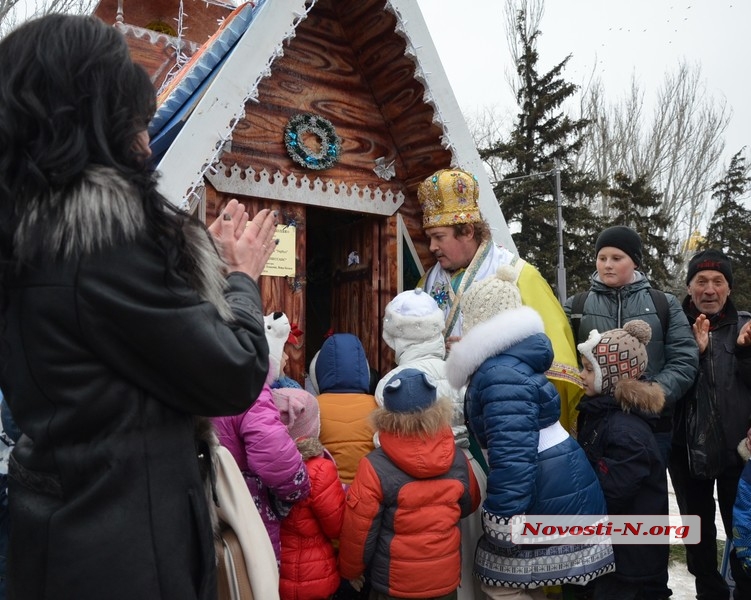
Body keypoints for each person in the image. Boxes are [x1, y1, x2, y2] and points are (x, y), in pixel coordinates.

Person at [0, 14, 279, 600]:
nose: (147, 144)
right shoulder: (103, 241)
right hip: (130, 555)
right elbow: (233, 372)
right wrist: (240, 278)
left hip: (62, 534)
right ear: (91, 116)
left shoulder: (29, 233)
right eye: (134, 124)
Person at [445, 266, 614, 599]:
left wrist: (504, 518)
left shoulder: (499, 373)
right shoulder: (509, 363)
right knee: (523, 582)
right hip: (552, 484)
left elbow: (513, 454)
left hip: (544, 488)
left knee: (500, 585)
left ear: (480, 321)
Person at [564, 225, 698, 600]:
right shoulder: (577, 304)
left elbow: (685, 359)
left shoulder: (661, 303)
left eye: (616, 258)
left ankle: (645, 581)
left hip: (652, 424)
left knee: (644, 506)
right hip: (597, 421)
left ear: (633, 261)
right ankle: (605, 578)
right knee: (608, 507)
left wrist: (651, 394)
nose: (607, 264)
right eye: (602, 257)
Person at [417, 168, 583, 433]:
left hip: (504, 414)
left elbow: (553, 357)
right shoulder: (426, 283)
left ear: (468, 231)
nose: (433, 247)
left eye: (439, 237)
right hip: (444, 419)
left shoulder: (520, 275)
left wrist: (484, 351)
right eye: (430, 238)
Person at [375, 288, 486, 600]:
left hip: (418, 488)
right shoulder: (460, 371)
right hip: (467, 474)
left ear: (394, 335)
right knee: (470, 564)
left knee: (436, 567)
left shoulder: (392, 383)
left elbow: (385, 444)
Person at [339, 369, 481, 600]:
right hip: (444, 582)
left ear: (389, 415)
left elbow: (359, 531)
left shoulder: (374, 466)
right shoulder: (457, 458)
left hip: (394, 584)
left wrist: (351, 571)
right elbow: (470, 504)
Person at [668, 249, 751, 600]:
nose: (710, 289)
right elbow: (668, 391)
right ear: (689, 287)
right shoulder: (673, 328)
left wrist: (747, 352)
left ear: (729, 289)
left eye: (718, 281)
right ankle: (710, 592)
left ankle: (744, 589)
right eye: (701, 281)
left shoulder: (747, 326)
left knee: (743, 530)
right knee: (697, 533)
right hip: (687, 451)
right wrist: (694, 354)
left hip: (739, 452)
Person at [576, 320, 669, 600]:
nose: (581, 374)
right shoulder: (602, 414)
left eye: (589, 369)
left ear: (612, 376)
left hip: (628, 555)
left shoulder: (625, 432)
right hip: (617, 549)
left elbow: (612, 492)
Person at [211, 311, 311, 563]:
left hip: (206, 501)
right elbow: (275, 457)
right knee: (252, 579)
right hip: (244, 508)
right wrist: (298, 487)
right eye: (281, 352)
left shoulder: (203, 380)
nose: (288, 357)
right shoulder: (250, 389)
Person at [272, 387, 346, 600]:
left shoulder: (263, 465)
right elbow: (336, 526)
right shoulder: (319, 469)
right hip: (315, 576)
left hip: (274, 572)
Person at [308, 333, 378, 486]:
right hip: (367, 492)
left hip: (326, 492)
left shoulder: (313, 405)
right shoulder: (376, 405)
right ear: (363, 367)